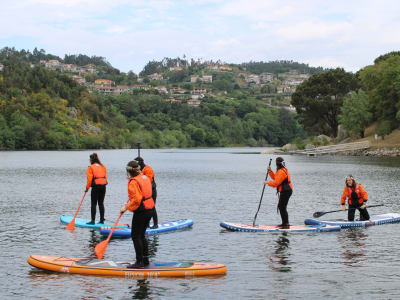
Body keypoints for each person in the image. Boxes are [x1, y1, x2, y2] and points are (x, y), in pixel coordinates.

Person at [120, 160, 155, 268]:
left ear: (129, 171)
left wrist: (125, 208)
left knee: (135, 236)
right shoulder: (144, 177)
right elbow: (140, 194)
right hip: (150, 209)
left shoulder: (134, 182)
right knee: (142, 235)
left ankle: (139, 262)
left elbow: (137, 199)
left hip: (142, 211)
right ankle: (145, 260)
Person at [265, 157, 293, 229]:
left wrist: (267, 182)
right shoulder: (281, 170)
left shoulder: (281, 171)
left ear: (277, 163)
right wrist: (270, 171)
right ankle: (285, 223)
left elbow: (276, 183)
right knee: (282, 207)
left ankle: (286, 224)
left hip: (286, 191)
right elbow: (275, 178)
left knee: (282, 207)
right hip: (285, 190)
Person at [135, 156, 158, 229]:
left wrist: (140, 174)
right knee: (145, 208)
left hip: (151, 191)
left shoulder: (148, 169)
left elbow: (148, 181)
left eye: (136, 166)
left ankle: (155, 224)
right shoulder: (138, 170)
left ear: (140, 164)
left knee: (152, 207)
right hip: (144, 192)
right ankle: (146, 224)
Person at [85, 153, 107, 225]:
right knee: (101, 203)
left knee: (93, 204)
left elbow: (89, 179)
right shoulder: (103, 166)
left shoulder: (90, 167)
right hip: (103, 186)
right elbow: (105, 177)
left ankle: (92, 221)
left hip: (96, 187)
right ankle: (101, 220)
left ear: (91, 159)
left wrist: (87, 188)